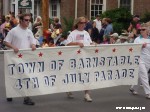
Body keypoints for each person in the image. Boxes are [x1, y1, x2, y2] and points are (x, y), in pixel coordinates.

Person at [3, 13, 36, 105]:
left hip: (26, 58)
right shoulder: (14, 31)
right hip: (14, 58)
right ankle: (10, 93)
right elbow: (5, 42)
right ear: (21, 20)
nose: (28, 22)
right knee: (14, 76)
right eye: (26, 20)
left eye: (29, 20)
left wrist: (33, 45)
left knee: (26, 76)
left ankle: (26, 98)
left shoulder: (29, 31)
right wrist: (13, 47)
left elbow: (32, 41)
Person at [66, 16, 93, 102]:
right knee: (74, 75)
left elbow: (90, 43)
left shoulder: (86, 33)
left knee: (87, 75)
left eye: (85, 23)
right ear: (77, 23)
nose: (83, 24)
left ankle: (87, 94)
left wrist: (93, 44)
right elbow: (68, 43)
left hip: (86, 58)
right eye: (81, 23)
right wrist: (77, 43)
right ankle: (69, 88)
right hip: (76, 58)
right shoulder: (73, 33)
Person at [129, 23, 150, 99]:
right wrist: (140, 46)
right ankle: (148, 93)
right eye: (140, 29)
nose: (141, 31)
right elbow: (133, 49)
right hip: (139, 59)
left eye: (143, 29)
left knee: (141, 76)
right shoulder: (137, 39)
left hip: (148, 60)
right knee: (144, 75)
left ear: (147, 30)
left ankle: (133, 88)